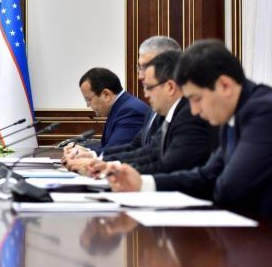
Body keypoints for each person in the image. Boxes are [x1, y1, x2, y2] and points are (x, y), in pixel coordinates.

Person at [103, 40, 272, 218]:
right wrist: (142, 183)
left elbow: (229, 188)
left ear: (225, 85)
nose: (194, 110)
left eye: (197, 98)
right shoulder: (231, 112)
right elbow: (206, 175)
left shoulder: (264, 112)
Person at [69, 51, 217, 175]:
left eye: (149, 87)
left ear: (170, 86)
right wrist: (99, 159)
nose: (145, 94)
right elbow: (147, 150)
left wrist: (111, 168)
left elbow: (169, 166)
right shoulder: (162, 111)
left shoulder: (188, 115)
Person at [76, 67, 149, 153]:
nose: (88, 105)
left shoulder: (130, 112)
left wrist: (81, 152)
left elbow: (114, 151)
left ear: (106, 95)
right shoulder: (121, 107)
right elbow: (108, 145)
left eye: (89, 99)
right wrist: (81, 148)